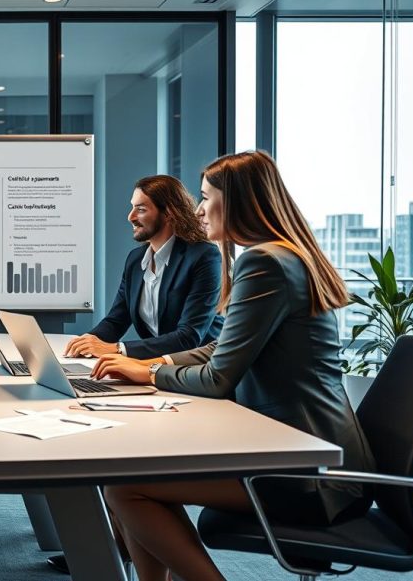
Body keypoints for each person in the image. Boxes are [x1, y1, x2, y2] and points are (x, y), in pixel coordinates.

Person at [91, 151, 375, 581]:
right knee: (135, 474)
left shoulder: (265, 264)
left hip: (310, 473)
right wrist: (152, 362)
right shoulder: (284, 256)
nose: (199, 209)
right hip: (307, 454)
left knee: (125, 486)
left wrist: (148, 372)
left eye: (206, 197)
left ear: (239, 201)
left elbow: (219, 376)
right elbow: (223, 347)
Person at [64, 175, 223, 360]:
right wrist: (86, 343)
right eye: (132, 207)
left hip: (200, 368)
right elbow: (116, 321)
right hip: (156, 367)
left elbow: (189, 337)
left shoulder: (204, 256)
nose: (130, 217)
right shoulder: (135, 260)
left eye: (140, 209)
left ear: (169, 213)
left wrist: (117, 349)